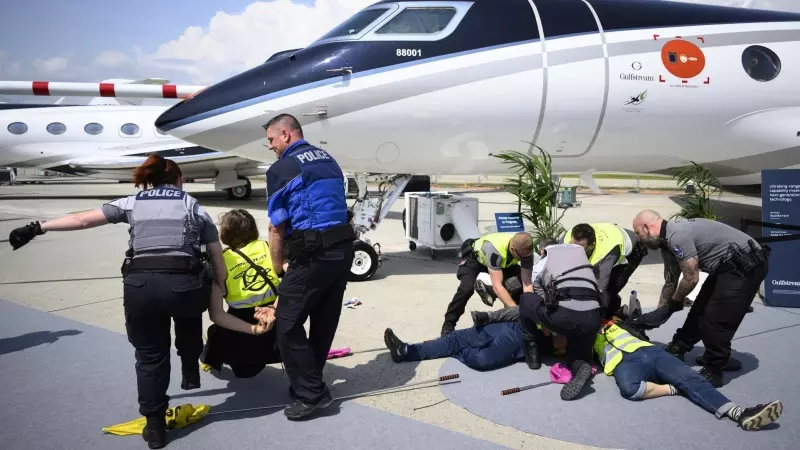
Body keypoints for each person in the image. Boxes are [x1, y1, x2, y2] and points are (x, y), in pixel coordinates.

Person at [8, 154, 225, 449]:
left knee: (150, 358)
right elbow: (216, 252)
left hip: (140, 287)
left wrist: (38, 227)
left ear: (147, 180)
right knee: (188, 308)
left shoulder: (131, 203)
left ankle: (155, 426)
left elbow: (83, 219)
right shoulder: (192, 205)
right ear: (180, 180)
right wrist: (221, 284)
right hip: (183, 286)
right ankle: (189, 366)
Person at [262, 113, 357, 420]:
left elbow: (277, 228)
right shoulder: (328, 159)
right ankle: (309, 382)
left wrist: (278, 268)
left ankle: (313, 394)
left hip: (312, 255)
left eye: (272, 140)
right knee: (323, 321)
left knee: (287, 325)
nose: (270, 146)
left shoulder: (282, 168)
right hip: (342, 252)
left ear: (286, 135)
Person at [632, 210, 769, 387]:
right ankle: (678, 347)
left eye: (637, 233)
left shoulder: (676, 236)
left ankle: (715, 368)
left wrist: (674, 304)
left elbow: (691, 278)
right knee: (700, 308)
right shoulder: (668, 238)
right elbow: (673, 280)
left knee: (715, 318)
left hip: (745, 266)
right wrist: (663, 311)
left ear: (646, 227)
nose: (639, 238)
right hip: (727, 266)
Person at [595, 307, 783, 431]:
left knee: (693, 378)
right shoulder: (585, 336)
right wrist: (671, 390)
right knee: (631, 389)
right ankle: (675, 387)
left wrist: (671, 304)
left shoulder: (621, 323)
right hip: (623, 363)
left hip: (651, 352)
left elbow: (649, 319)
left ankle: (740, 413)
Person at [200, 209, 282, 379]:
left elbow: (217, 314)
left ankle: (208, 359)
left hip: (241, 327)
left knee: (216, 332)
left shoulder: (221, 261)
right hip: (275, 320)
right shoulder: (266, 247)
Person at [518, 242, 602, 401]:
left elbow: (537, 295)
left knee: (525, 300)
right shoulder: (586, 265)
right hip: (592, 319)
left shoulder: (542, 263)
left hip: (563, 316)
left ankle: (533, 355)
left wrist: (551, 332)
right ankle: (581, 366)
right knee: (576, 356)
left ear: (543, 251)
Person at [383, 312, 563, 371]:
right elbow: (518, 309)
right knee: (455, 340)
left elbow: (559, 344)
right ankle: (405, 351)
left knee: (479, 358)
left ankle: (450, 351)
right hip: (505, 329)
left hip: (514, 344)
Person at [441, 231, 535, 336]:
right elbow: (497, 285)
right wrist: (515, 312)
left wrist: (529, 307)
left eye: (527, 257)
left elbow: (527, 283)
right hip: (476, 260)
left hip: (503, 263)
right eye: (522, 258)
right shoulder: (495, 249)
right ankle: (448, 325)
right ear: (512, 249)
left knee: (519, 286)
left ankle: (512, 324)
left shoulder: (525, 253)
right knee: (466, 289)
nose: (525, 260)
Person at [562, 223, 647, 318]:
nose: (575, 250)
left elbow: (599, 289)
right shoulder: (566, 239)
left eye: (580, 247)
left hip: (634, 249)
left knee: (610, 289)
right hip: (611, 233)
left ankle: (611, 315)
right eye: (572, 245)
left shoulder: (604, 254)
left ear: (591, 245)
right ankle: (613, 310)